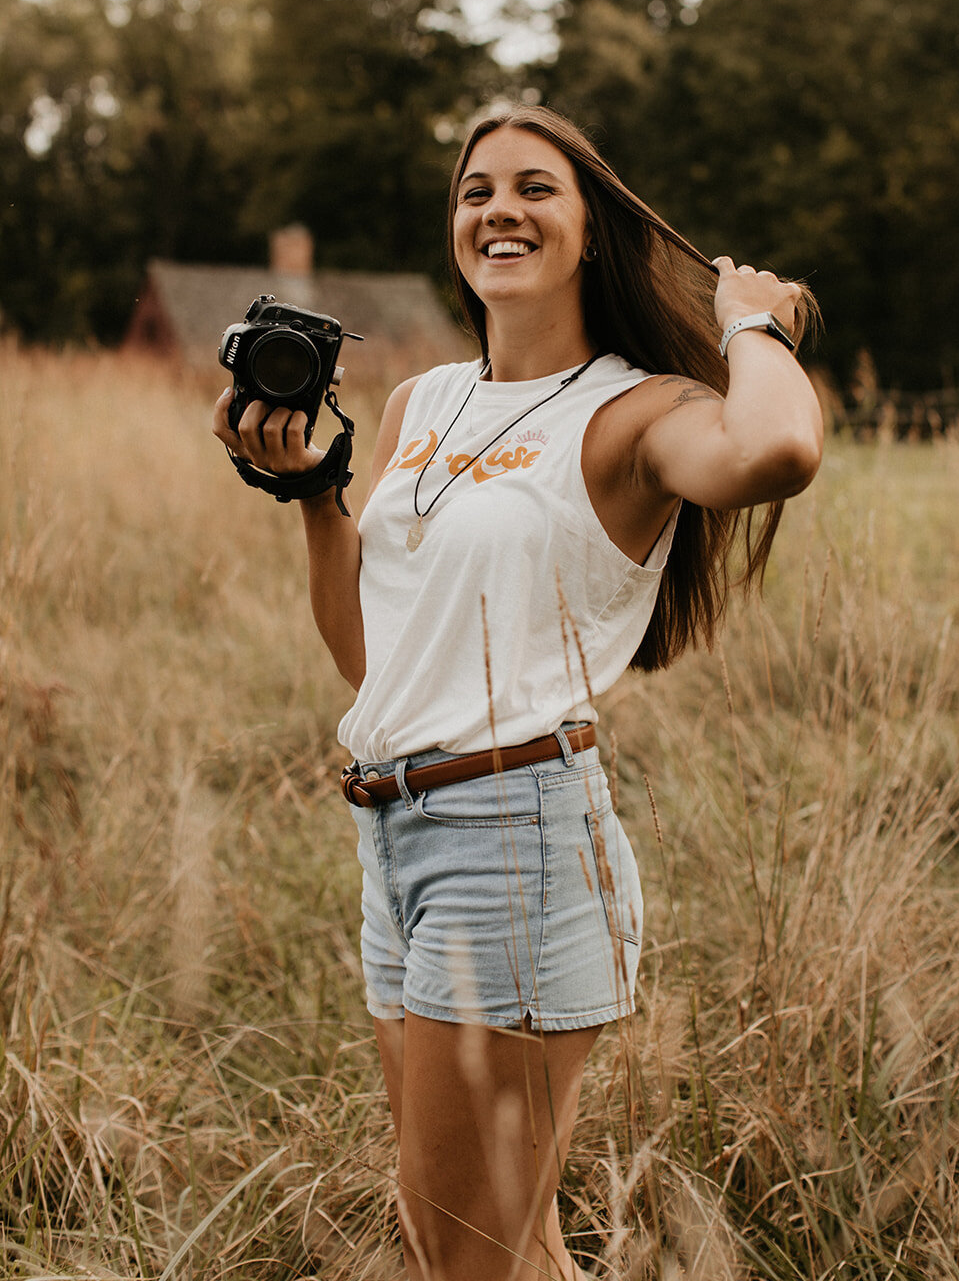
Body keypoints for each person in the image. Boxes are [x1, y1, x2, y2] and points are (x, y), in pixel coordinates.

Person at [213, 105, 823, 1280]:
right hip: (395, 836)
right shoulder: (422, 402)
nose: (499, 209)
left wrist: (749, 326)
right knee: (482, 1245)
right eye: (475, 190)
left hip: (513, 841)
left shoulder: (638, 410)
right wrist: (314, 498)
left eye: (535, 187)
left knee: (464, 1256)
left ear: (591, 228)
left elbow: (777, 451)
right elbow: (371, 659)